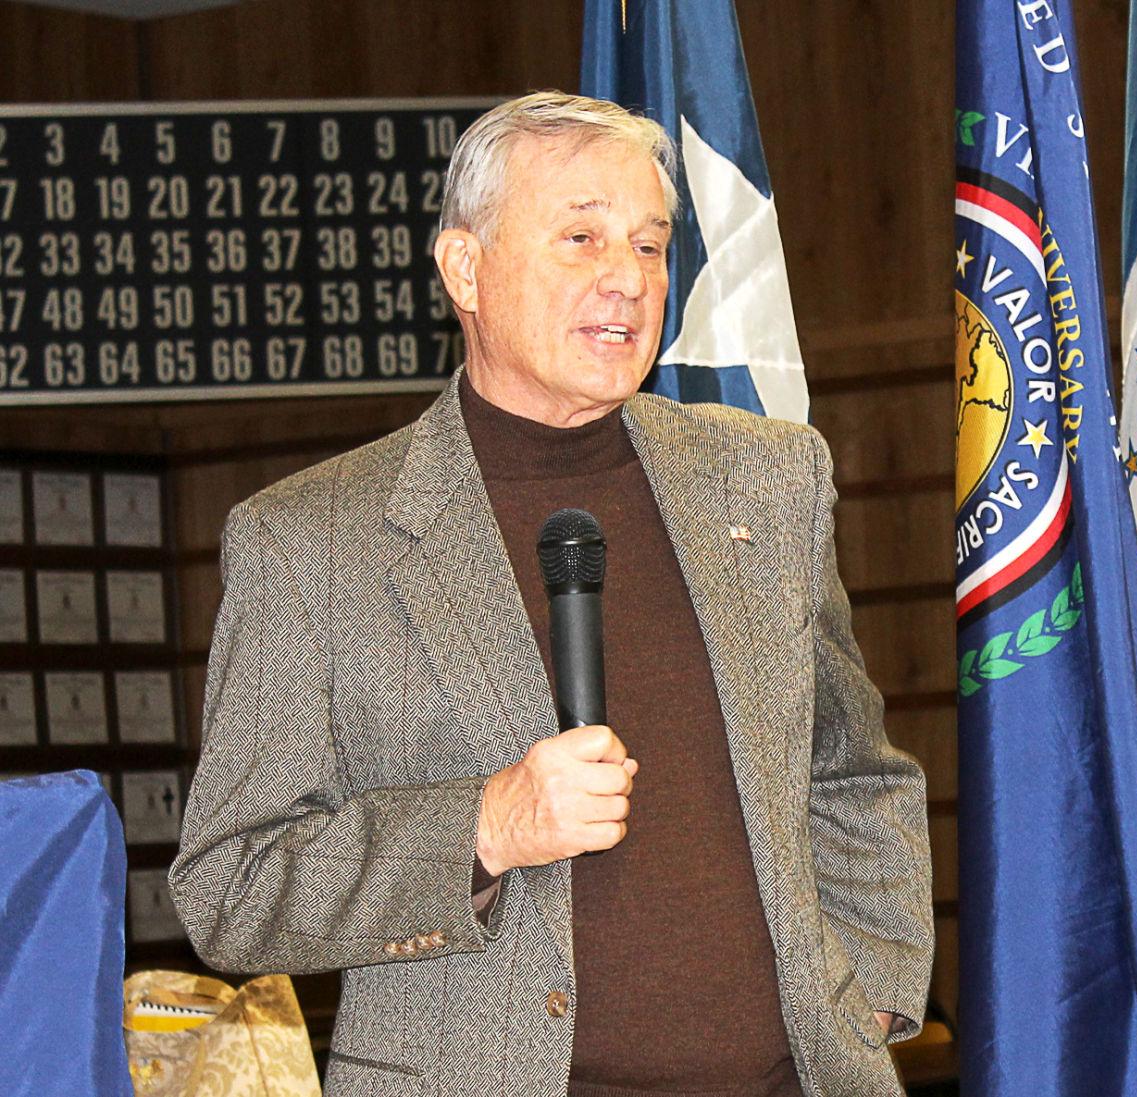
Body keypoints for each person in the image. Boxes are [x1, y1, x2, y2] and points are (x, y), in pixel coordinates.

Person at [170, 91, 933, 1097]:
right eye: (580, 236)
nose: (627, 278)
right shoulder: (309, 541)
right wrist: (481, 827)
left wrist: (864, 998)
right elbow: (233, 885)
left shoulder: (767, 479)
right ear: (465, 269)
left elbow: (851, 768)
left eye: (652, 246)